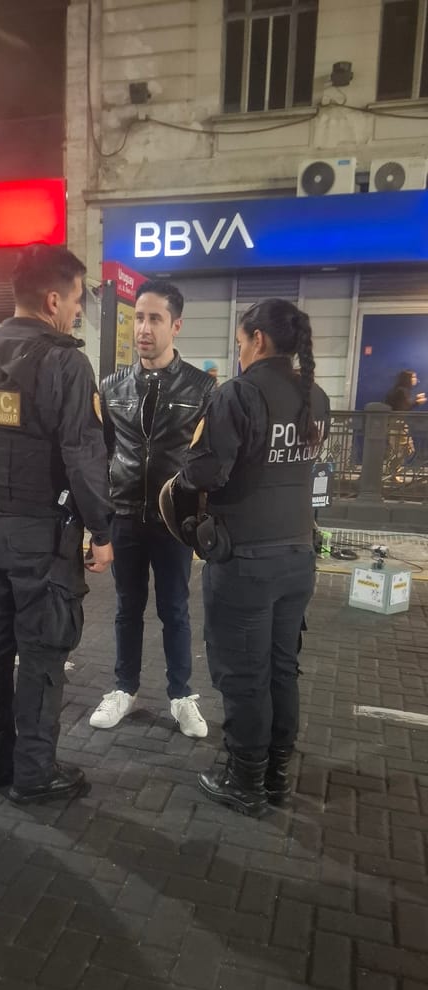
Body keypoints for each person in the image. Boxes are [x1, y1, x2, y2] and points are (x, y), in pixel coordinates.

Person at [0, 243, 113, 806]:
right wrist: (101, 533)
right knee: (40, 656)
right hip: (40, 539)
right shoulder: (65, 361)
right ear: (53, 299)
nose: (78, 312)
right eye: (77, 300)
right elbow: (84, 456)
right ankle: (34, 774)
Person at [166, 298, 330, 817]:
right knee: (282, 669)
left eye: (239, 344)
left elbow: (209, 470)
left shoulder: (238, 394)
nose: (237, 354)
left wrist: (183, 470)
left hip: (246, 562)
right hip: (298, 557)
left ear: (257, 340)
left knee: (244, 674)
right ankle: (277, 775)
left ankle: (244, 781)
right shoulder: (316, 397)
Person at [89, 279, 216, 737]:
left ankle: (181, 696)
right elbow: (102, 454)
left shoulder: (203, 388)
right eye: (138, 317)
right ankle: (124, 688)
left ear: (176, 325)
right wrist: (96, 521)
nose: (143, 328)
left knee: (175, 610)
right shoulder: (112, 385)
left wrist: (203, 517)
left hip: (172, 520)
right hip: (123, 515)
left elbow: (208, 460)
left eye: (155, 318)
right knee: (127, 608)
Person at [384, 370, 426, 481]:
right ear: (407, 379)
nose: (415, 379)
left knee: (401, 449)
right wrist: (417, 402)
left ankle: (391, 471)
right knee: (403, 449)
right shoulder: (401, 391)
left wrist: (416, 401)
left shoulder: (400, 390)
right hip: (397, 424)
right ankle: (392, 472)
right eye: (413, 377)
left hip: (397, 423)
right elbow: (403, 409)